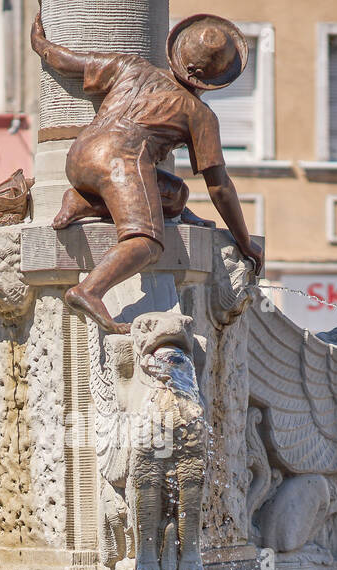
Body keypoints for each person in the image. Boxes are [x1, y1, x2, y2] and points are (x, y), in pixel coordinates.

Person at [31, 11, 265, 333]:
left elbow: (67, 61)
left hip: (80, 154)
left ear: (178, 53)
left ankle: (83, 201)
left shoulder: (133, 67)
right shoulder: (199, 114)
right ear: (216, 79)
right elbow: (219, 186)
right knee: (147, 242)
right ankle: (90, 290)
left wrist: (40, 43)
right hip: (120, 160)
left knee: (177, 195)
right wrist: (245, 240)